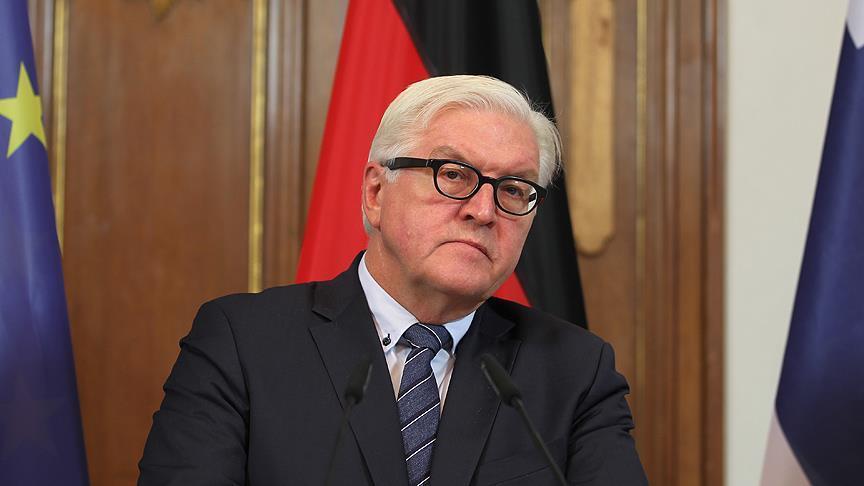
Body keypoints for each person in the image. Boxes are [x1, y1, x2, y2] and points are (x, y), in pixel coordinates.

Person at [138, 75, 647, 485]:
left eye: (513, 189)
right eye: (454, 174)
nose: (484, 210)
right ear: (376, 193)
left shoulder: (575, 371)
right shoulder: (243, 343)